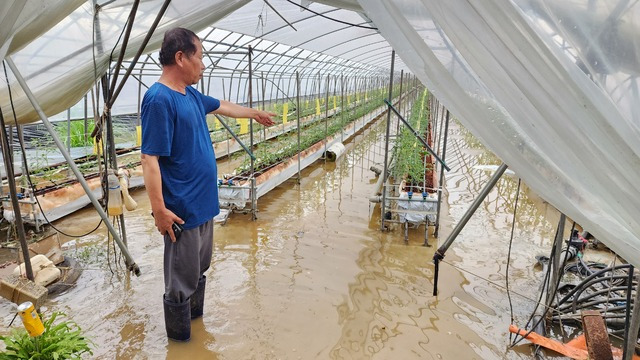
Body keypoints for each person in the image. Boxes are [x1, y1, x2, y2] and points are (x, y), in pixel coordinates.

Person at [140, 27, 275, 342]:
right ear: (180, 57)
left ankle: (195, 328)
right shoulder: (159, 99)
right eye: (199, 57)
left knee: (198, 270)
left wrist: (254, 113)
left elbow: (224, 106)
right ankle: (180, 342)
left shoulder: (192, 95)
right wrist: (159, 211)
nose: (203, 65)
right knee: (179, 281)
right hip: (182, 210)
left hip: (203, 205)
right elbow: (149, 160)